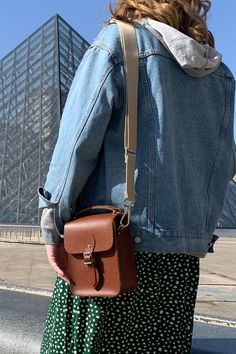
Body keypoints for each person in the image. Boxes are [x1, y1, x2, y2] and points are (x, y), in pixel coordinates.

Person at [38, 1, 235, 353]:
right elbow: (219, 169)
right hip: (179, 266)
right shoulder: (220, 76)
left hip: (110, 250)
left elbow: (75, 148)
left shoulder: (119, 44)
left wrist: (52, 222)